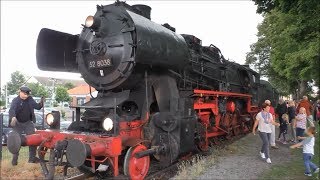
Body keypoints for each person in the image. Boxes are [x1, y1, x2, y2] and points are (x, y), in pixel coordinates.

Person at [9, 86, 44, 166]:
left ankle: (32, 159)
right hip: (17, 123)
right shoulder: (15, 100)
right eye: (24, 94)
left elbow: (37, 107)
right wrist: (13, 117)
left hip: (28, 122)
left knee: (33, 139)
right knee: (16, 141)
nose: (26, 96)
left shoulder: (30, 99)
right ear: (20, 92)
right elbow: (12, 110)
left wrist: (41, 103)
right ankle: (14, 160)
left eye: (27, 94)